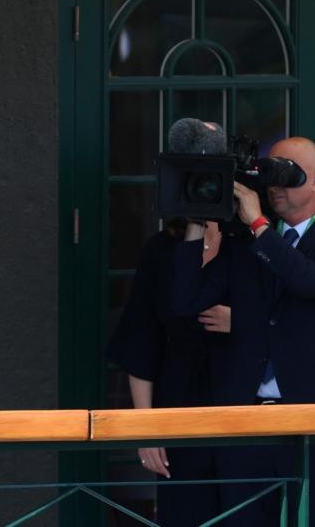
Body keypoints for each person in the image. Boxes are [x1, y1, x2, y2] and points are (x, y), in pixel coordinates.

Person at [172, 137, 315, 526]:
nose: (276, 185)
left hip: (313, 419)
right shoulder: (245, 244)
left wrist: (260, 226)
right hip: (245, 419)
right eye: (270, 173)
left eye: (289, 174)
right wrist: (196, 222)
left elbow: (308, 280)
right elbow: (183, 303)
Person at [106, 218, 224, 526]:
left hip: (242, 408)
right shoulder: (161, 250)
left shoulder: (251, 243)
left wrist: (242, 321)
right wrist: (146, 428)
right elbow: (141, 340)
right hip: (179, 410)